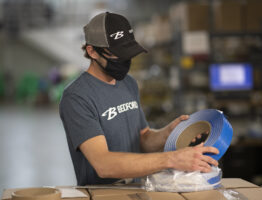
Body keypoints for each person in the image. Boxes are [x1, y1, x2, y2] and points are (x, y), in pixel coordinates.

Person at [59, 12, 219, 186]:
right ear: (92, 52)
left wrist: (169, 133)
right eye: (117, 55)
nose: (125, 61)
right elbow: (103, 164)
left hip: (137, 187)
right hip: (102, 193)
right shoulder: (77, 97)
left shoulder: (128, 83)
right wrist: (172, 159)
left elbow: (142, 139)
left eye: (127, 54)